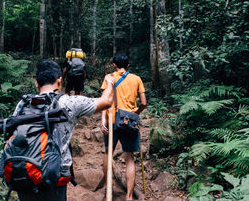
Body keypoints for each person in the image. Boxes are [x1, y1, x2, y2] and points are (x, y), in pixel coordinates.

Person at [12, 60, 115, 201]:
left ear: (36, 83)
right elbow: (107, 101)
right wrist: (109, 82)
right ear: (59, 81)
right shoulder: (70, 102)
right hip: (54, 177)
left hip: (23, 174)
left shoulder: (22, 103)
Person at [100, 53, 147, 201]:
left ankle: (109, 188)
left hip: (112, 120)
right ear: (127, 65)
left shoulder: (109, 77)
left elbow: (104, 100)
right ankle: (129, 197)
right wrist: (136, 113)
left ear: (114, 65)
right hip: (129, 121)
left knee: (108, 154)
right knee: (129, 158)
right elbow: (144, 103)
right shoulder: (136, 79)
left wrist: (103, 119)